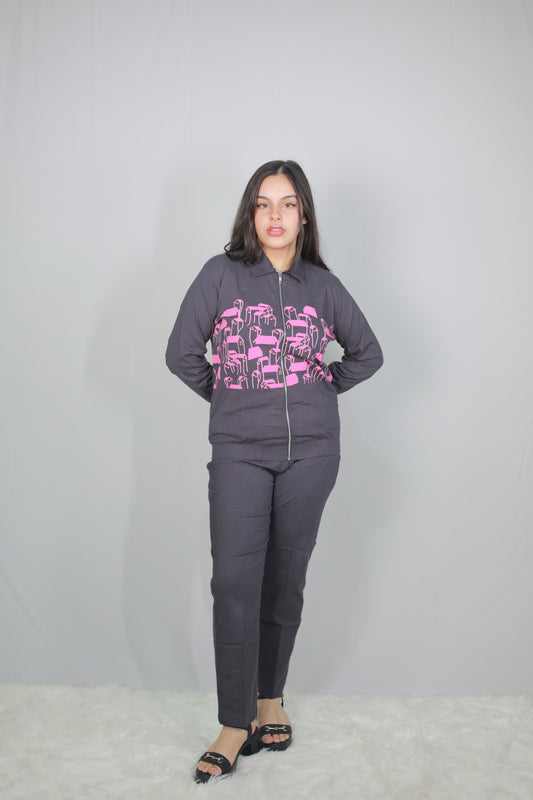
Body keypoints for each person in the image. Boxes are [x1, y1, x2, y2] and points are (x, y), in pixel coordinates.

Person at [165, 160, 383, 783]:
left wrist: (317, 389)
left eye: (288, 204)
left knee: (285, 581)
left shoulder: (323, 286)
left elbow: (367, 353)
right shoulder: (220, 275)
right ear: (250, 213)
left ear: (304, 214)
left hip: (312, 453)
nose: (275, 216)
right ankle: (234, 723)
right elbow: (182, 353)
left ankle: (270, 699)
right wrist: (233, 396)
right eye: (263, 204)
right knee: (235, 583)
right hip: (239, 450)